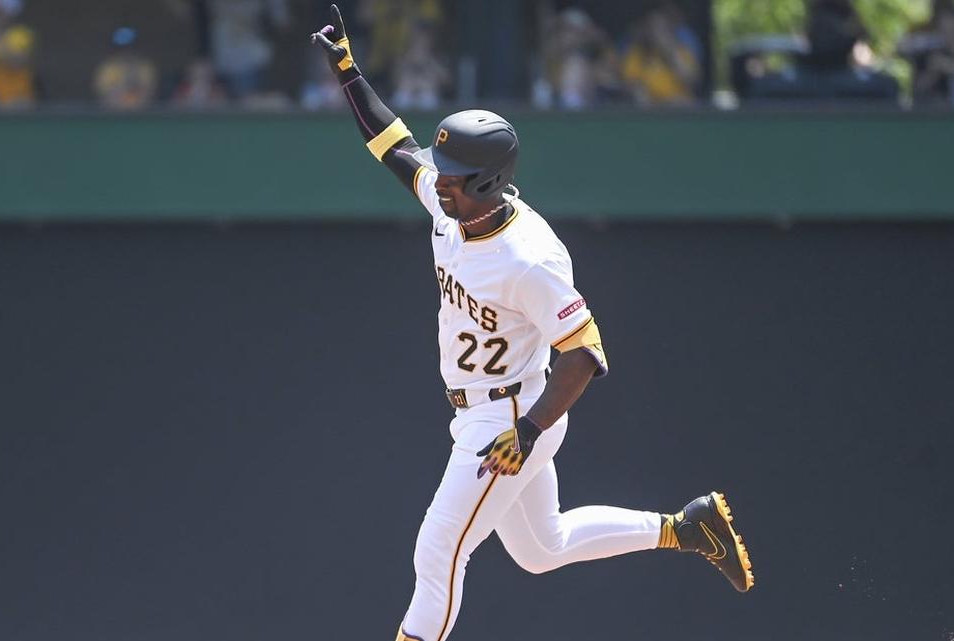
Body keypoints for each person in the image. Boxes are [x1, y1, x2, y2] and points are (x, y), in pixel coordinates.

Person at [309, 6, 754, 640]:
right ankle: (686, 527)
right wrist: (349, 71)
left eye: (455, 182)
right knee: (542, 548)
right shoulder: (450, 207)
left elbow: (586, 352)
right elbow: (394, 146)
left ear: (490, 181)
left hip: (510, 418)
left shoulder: (531, 257)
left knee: (437, 552)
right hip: (484, 409)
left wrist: (530, 428)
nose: (440, 188)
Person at [899, 0, 954, 108]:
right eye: (945, 30)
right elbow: (917, 92)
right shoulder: (928, 54)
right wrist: (935, 71)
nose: (950, 34)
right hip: (936, 113)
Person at [92, 27, 159, 110]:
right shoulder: (108, 68)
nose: (126, 51)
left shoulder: (145, 67)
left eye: (130, 47)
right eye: (121, 47)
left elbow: (149, 95)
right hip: (113, 116)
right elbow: (103, 98)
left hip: (141, 115)